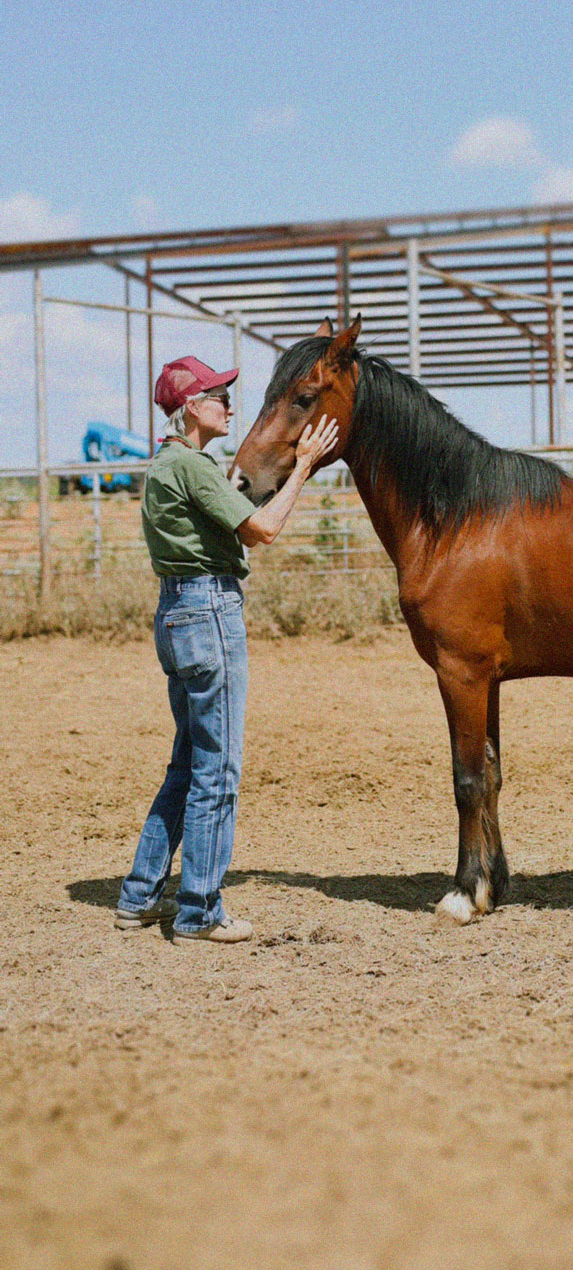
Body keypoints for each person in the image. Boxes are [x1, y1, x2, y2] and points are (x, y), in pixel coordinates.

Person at [115, 354, 338, 943]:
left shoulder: (167, 464)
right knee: (218, 767)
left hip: (176, 612)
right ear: (191, 407)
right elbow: (262, 530)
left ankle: (140, 896)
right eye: (218, 397)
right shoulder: (193, 466)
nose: (229, 406)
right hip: (209, 612)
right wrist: (305, 467)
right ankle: (199, 910)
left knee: (188, 761)